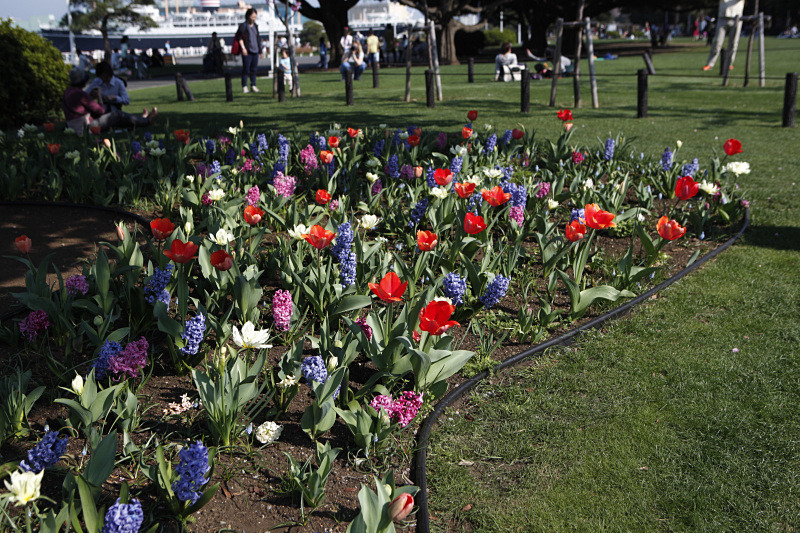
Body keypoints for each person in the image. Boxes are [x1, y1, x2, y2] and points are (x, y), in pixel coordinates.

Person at [63, 67, 156, 134]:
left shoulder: (68, 92)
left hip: (72, 125)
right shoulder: (81, 94)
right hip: (86, 126)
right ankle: (147, 121)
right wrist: (99, 97)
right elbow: (100, 110)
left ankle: (142, 119)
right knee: (117, 115)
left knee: (118, 119)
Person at [703, 0, 745, 70]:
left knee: (733, 43)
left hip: (736, 16)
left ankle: (729, 63)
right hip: (723, 16)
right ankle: (710, 64)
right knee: (717, 42)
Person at [237, 8, 261, 93]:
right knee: (246, 69)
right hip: (247, 50)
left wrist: (260, 50)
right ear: (248, 16)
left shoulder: (255, 26)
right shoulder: (243, 26)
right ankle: (244, 86)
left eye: (255, 17)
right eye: (252, 16)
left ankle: (253, 85)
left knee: (254, 69)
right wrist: (243, 48)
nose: (254, 18)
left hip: (255, 50)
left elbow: (257, 38)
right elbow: (239, 38)